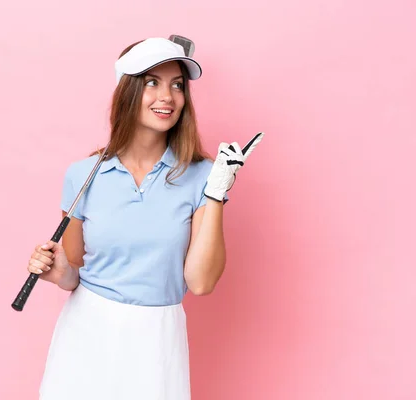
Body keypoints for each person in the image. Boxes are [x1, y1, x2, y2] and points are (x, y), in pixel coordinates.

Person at [26, 36, 262, 400]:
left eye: (177, 85)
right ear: (127, 91)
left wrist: (216, 193)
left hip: (157, 338)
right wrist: (59, 272)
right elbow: (74, 272)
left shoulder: (203, 176)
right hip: (87, 333)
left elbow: (200, 282)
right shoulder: (83, 174)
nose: (167, 96)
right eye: (152, 82)